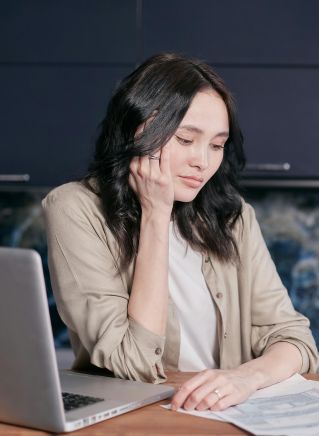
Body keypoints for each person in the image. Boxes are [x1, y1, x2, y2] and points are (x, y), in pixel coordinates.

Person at [43, 52, 318, 412]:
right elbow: (134, 363)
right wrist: (156, 213)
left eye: (217, 145)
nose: (203, 162)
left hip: (223, 415)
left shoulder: (234, 218)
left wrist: (244, 378)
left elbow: (297, 343)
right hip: (134, 418)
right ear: (138, 131)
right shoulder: (75, 209)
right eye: (186, 140)